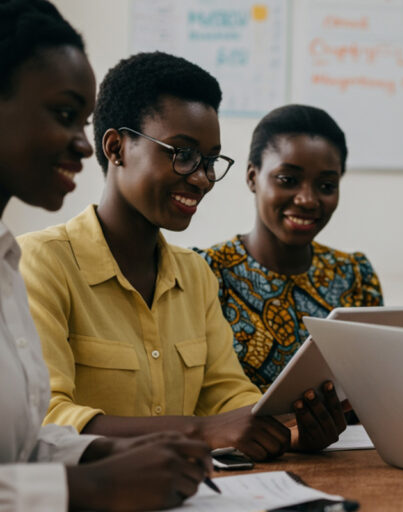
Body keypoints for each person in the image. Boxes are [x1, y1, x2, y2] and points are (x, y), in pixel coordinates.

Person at [19, 51, 347, 462]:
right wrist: (200, 430)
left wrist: (289, 430)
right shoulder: (41, 263)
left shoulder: (195, 273)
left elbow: (226, 393)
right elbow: (47, 419)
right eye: (182, 153)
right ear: (117, 147)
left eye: (211, 160)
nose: (202, 177)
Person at [0, 1, 212, 509]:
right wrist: (98, 484)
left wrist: (116, 452)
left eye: (86, 119)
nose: (83, 144)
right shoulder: (36, 261)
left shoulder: (4, 265)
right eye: (65, 115)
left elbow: (23, 448)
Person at [198, 104, 382, 392]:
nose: (307, 199)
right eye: (288, 180)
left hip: (349, 439)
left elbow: (376, 390)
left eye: (326, 185)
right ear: (251, 177)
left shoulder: (355, 276)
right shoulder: (207, 273)